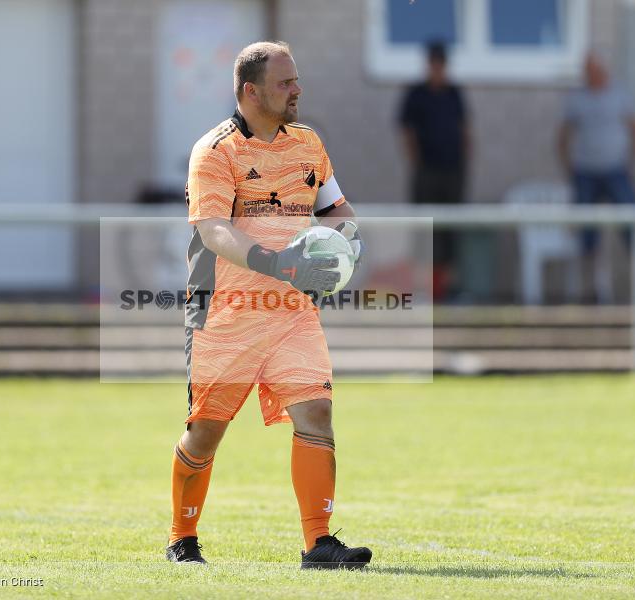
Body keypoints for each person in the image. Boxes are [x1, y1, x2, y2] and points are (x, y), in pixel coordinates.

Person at [167, 41, 370, 570]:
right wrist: (279, 264)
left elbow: (337, 207)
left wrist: (347, 237)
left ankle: (319, 544)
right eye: (286, 83)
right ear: (250, 91)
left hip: (292, 311)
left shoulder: (308, 144)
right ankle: (181, 537)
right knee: (206, 430)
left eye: (297, 80)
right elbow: (213, 231)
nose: (297, 89)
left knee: (317, 410)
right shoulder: (214, 151)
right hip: (225, 312)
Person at [558, 53, 635, 301]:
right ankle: (592, 290)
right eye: (586, 71)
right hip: (585, 172)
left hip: (616, 171)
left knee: (633, 224)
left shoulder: (620, 95)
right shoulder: (576, 99)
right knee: (586, 232)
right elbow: (563, 136)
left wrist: (631, 162)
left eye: (592, 70)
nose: (588, 76)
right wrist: (569, 167)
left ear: (602, 70)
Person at [397, 41, 471, 301]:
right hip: (427, 171)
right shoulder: (416, 94)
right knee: (423, 230)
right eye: (433, 64)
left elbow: (465, 129)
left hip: (452, 171)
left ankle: (449, 289)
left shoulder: (454, 93)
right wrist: (416, 161)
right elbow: (406, 130)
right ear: (428, 65)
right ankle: (422, 288)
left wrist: (464, 162)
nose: (437, 69)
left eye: (441, 64)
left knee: (451, 229)